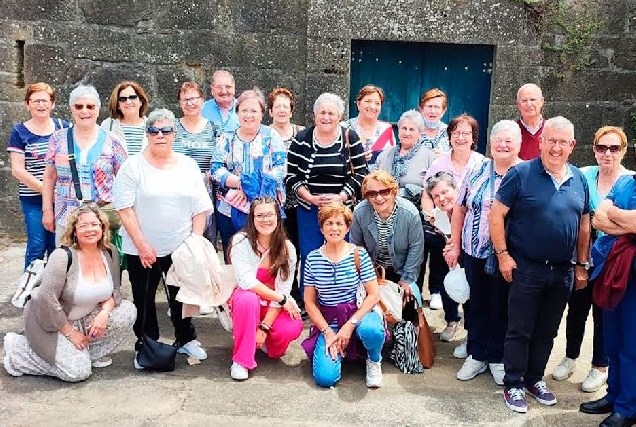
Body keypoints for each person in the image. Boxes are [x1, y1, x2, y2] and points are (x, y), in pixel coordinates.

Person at [489, 116, 591, 414]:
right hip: (526, 267)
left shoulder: (579, 178)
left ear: (572, 146)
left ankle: (535, 379)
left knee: (547, 330)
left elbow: (584, 223)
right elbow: (496, 215)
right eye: (551, 140)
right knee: (519, 329)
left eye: (563, 142)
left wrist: (581, 263)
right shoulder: (521, 173)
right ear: (541, 141)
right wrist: (503, 255)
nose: (556, 147)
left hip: (562, 270)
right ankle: (513, 384)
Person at [113, 109, 213, 366]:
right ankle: (146, 344)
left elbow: (200, 207)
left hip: (180, 246)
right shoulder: (132, 166)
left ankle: (185, 339)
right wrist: (142, 244)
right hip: (141, 248)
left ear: (174, 135)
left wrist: (194, 242)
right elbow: (124, 209)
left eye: (166, 130)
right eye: (154, 131)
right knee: (144, 299)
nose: (160, 135)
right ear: (147, 134)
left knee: (182, 295)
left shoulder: (188, 166)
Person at [3, 203, 136, 382]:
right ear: (74, 231)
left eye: (95, 224)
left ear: (103, 227)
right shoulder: (62, 256)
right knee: (77, 373)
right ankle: (19, 350)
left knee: (127, 310)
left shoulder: (109, 251)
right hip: (51, 322)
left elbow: (115, 292)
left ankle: (86, 354)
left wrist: (104, 313)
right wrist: (70, 333)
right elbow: (46, 299)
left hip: (82, 318)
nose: (90, 229)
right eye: (83, 226)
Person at [553, 126, 634, 393]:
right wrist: (618, 222)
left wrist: (612, 221)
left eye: (614, 148)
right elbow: (595, 218)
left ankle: (599, 366)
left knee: (603, 314)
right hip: (582, 255)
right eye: (602, 148)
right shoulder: (583, 175)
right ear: (594, 150)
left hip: (614, 262)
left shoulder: (629, 180)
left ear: (623, 151)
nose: (607, 154)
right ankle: (570, 356)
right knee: (576, 309)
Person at [444, 120, 523, 385]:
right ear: (490, 143)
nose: (502, 145)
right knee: (476, 305)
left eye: (509, 141)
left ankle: (497, 358)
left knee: (502, 307)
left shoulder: (525, 173)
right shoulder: (477, 169)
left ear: (518, 145)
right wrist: (455, 244)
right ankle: (476, 355)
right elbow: (459, 209)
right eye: (498, 139)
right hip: (474, 252)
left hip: (508, 257)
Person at [285, 93, 368, 297]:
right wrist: (309, 197)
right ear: (314, 115)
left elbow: (362, 173)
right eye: (322, 112)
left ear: (339, 116)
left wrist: (341, 197)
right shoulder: (301, 139)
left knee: (341, 253)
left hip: (341, 210)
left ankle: (341, 298)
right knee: (311, 255)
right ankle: (310, 300)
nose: (326, 117)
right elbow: (290, 176)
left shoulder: (350, 137)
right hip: (309, 208)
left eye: (331, 113)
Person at [301, 202, 385, 388]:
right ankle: (337, 352)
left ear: (347, 227)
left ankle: (374, 360)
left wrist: (349, 325)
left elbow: (373, 295)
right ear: (321, 228)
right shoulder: (312, 259)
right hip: (329, 319)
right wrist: (328, 332)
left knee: (372, 330)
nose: (334, 228)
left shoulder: (358, 254)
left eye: (339, 223)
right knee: (325, 378)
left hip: (358, 314)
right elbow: (309, 302)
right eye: (329, 223)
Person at [580, 158, 636, 427]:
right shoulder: (626, 181)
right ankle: (613, 396)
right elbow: (599, 219)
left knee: (632, 346)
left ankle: (628, 408)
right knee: (612, 340)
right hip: (614, 273)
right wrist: (628, 226)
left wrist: (618, 218)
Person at [421, 114, 485, 337]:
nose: (460, 137)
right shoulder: (439, 163)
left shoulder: (482, 163)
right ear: (449, 136)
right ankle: (452, 319)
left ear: (473, 137)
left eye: (466, 133)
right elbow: (428, 194)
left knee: (471, 278)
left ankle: (473, 330)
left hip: (473, 231)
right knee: (445, 273)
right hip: (443, 227)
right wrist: (433, 216)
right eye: (456, 133)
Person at [228, 197, 303, 381]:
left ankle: (260, 338)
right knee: (248, 299)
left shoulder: (288, 249)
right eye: (259, 215)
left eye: (270, 215)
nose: (265, 220)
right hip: (247, 298)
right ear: (252, 219)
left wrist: (264, 327)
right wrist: (282, 299)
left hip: (273, 302)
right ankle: (241, 360)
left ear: (278, 217)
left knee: (292, 326)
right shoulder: (240, 242)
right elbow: (247, 282)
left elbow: (283, 290)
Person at [42, 84, 127, 244]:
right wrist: (47, 210)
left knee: (103, 265)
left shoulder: (113, 141)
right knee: (66, 262)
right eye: (79, 106)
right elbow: (49, 178)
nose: (84, 111)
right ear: (71, 108)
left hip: (101, 220)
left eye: (90, 106)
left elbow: (125, 180)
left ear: (98, 108)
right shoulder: (57, 139)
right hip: (66, 217)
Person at [210, 88, 286, 256]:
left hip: (266, 207)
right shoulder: (226, 137)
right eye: (244, 110)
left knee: (265, 255)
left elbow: (280, 169)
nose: (249, 115)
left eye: (254, 111)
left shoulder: (271, 136)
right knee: (233, 254)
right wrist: (239, 184)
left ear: (262, 114)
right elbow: (215, 168)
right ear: (237, 112)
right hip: (230, 206)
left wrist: (251, 187)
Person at [7, 82, 69, 270]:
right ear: (27, 104)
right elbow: (18, 170)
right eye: (36, 101)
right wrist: (47, 189)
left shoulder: (63, 127)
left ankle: (54, 290)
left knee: (58, 246)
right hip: (33, 199)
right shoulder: (19, 132)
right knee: (37, 245)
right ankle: (29, 292)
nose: (41, 105)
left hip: (62, 199)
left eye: (45, 100)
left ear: (53, 104)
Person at [349, 170, 423, 319]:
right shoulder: (359, 212)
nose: (379, 197)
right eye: (372, 193)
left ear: (394, 191)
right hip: (372, 271)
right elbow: (356, 248)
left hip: (402, 270)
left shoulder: (410, 213)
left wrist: (407, 280)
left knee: (410, 301)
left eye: (385, 191)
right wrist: (367, 278)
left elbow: (416, 248)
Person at [267, 87, 305, 306]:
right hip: (272, 202)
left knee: (295, 248)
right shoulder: (264, 134)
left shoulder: (301, 133)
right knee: (276, 247)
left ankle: (296, 290)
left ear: (291, 111)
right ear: (270, 111)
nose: (281, 110)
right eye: (277, 106)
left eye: (286, 106)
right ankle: (280, 291)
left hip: (296, 201)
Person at [173, 81, 219, 246]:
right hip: (178, 190)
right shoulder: (172, 128)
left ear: (202, 100)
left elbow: (220, 161)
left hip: (206, 192)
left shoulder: (214, 128)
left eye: (193, 98)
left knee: (205, 241)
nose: (190, 103)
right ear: (179, 103)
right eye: (185, 100)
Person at [376, 109, 436, 189]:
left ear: (420, 133)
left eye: (411, 129)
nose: (407, 133)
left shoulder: (429, 157)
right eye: (404, 128)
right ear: (398, 130)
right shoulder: (385, 155)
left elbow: (433, 188)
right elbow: (373, 180)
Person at [342, 85, 395, 170]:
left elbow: (392, 160)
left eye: (377, 103)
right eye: (368, 101)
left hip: (378, 180)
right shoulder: (344, 128)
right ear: (358, 104)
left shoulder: (387, 129)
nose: (372, 107)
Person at [101, 81, 150, 155]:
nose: (128, 102)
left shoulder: (152, 126)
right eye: (123, 99)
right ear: (118, 105)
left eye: (132, 97)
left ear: (141, 101)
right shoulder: (107, 126)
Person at [201, 69, 239, 134]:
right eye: (219, 87)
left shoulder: (245, 108)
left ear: (234, 88)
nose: (224, 91)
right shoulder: (201, 110)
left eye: (228, 87)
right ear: (212, 89)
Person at [515, 83, 545, 160]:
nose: (529, 104)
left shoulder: (551, 129)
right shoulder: (511, 130)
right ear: (518, 105)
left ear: (542, 101)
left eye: (533, 100)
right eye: (524, 101)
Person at [418, 88, 450, 155]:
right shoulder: (412, 130)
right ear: (421, 109)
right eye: (429, 106)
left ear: (443, 111)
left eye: (437, 107)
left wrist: (444, 157)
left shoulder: (450, 132)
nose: (432, 111)